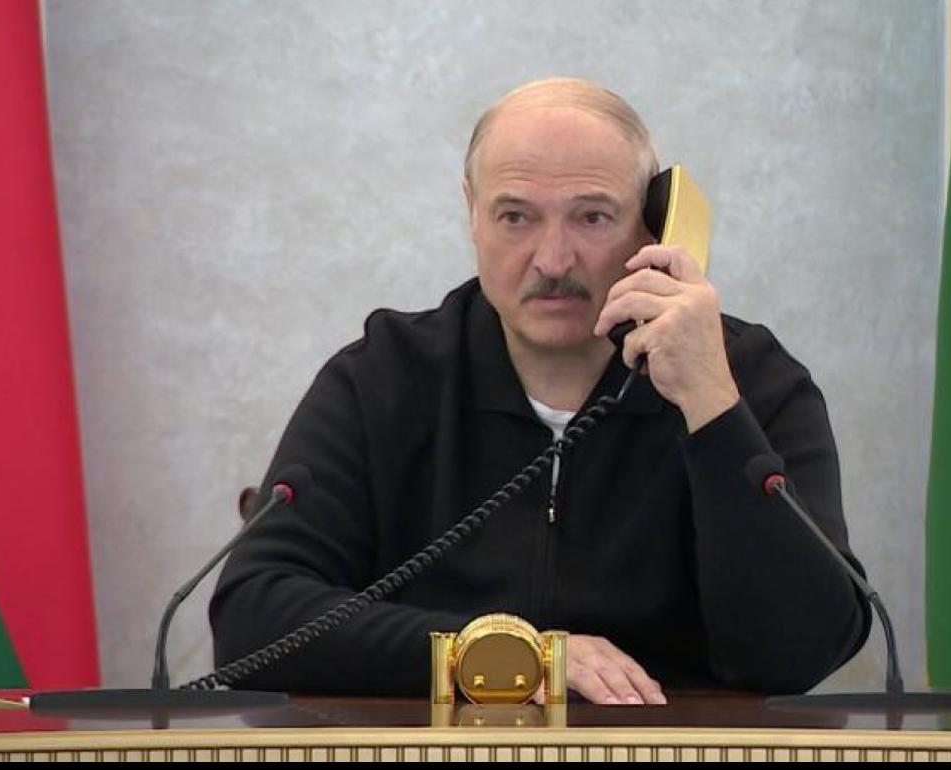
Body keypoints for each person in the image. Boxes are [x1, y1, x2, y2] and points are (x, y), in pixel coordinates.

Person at [210, 78, 869, 704]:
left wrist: (711, 407)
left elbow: (802, 649)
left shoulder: (751, 381)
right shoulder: (383, 378)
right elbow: (252, 618)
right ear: (472, 214)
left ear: (656, 226)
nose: (553, 260)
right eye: (515, 217)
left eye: (593, 217)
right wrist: (504, 655)